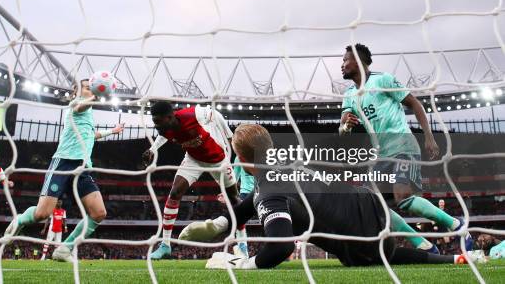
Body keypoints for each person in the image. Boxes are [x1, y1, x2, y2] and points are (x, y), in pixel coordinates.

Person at [179, 124, 482, 269]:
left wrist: (239, 264)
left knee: (365, 254)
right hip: (371, 208)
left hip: (360, 240)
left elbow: (280, 249)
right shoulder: (289, 165)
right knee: (381, 256)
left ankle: (445, 243)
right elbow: (251, 202)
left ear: (242, 162)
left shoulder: (268, 190)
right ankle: (452, 257)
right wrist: (220, 223)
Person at [339, 43, 472, 253]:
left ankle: (457, 225)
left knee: (403, 198)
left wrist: (428, 137)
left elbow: (415, 104)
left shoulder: (383, 80)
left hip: (402, 145)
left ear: (359, 61)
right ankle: (424, 244)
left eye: (346, 60)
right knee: (371, 204)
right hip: (380, 155)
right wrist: (346, 125)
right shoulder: (348, 95)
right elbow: (342, 129)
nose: (342, 64)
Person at [5, 78, 124, 262]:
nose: (90, 90)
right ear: (76, 91)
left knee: (99, 213)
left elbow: (92, 135)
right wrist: (97, 94)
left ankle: (64, 249)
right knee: (41, 214)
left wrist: (112, 131)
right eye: (87, 88)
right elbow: (80, 107)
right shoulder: (76, 104)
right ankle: (20, 219)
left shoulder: (89, 113)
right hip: (63, 163)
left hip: (82, 168)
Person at [143, 101, 243, 259]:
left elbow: (214, 114)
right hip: (193, 159)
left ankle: (242, 244)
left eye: (158, 122)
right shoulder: (166, 128)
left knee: (234, 199)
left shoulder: (193, 114)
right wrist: (152, 149)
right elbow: (162, 136)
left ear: (170, 117)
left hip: (218, 159)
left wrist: (230, 137)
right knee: (174, 193)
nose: (156, 126)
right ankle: (165, 245)